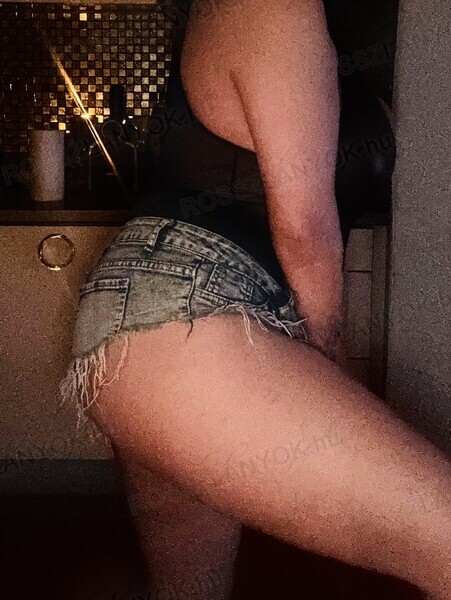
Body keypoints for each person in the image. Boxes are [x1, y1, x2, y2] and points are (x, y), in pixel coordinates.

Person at [59, 1, 450, 598]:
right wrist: (329, 363)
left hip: (168, 320)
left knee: (191, 591)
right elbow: (307, 235)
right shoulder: (273, 6)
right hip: (185, 307)